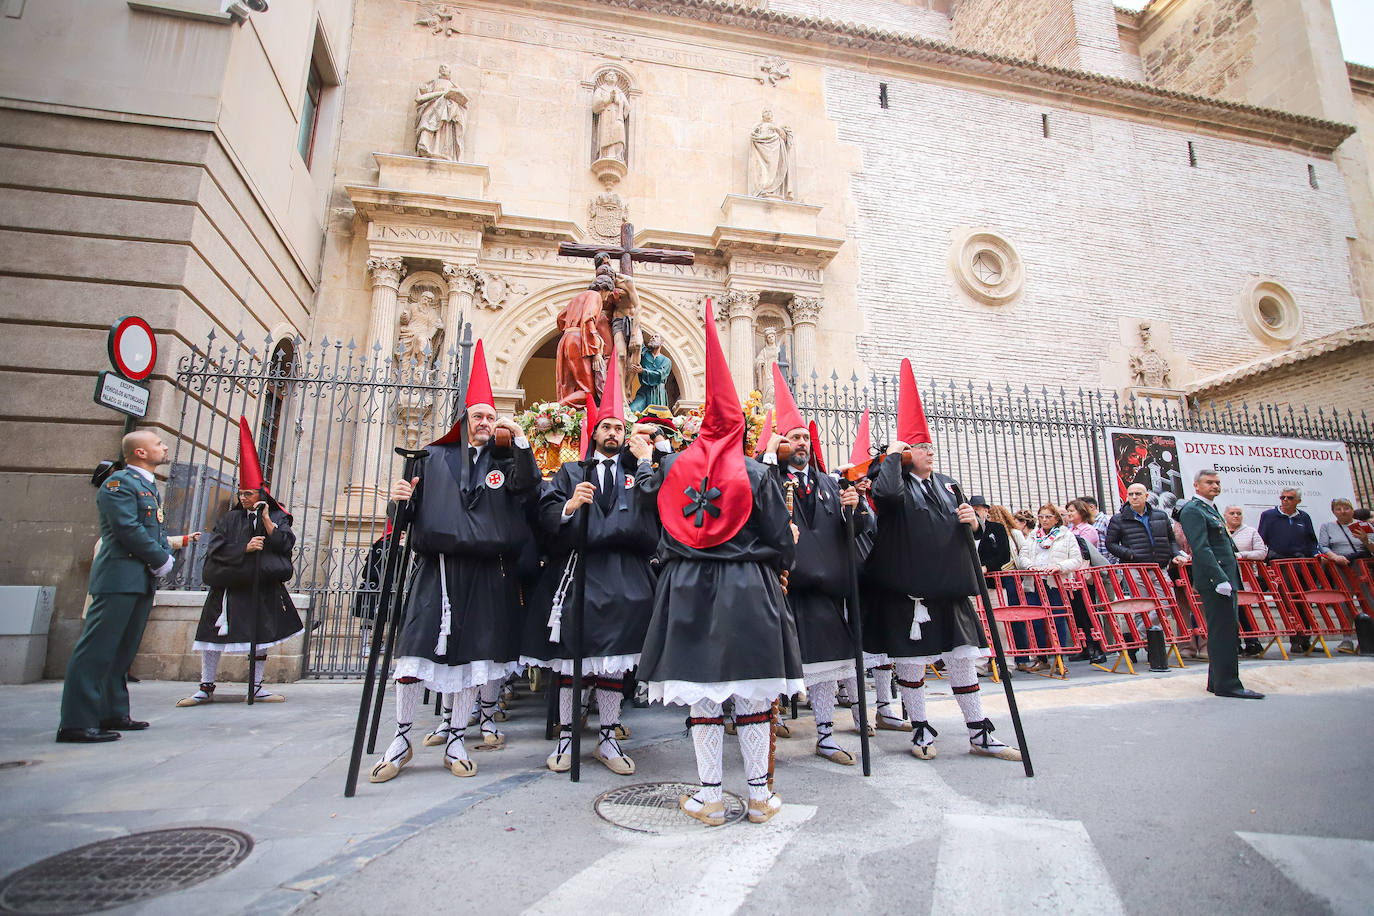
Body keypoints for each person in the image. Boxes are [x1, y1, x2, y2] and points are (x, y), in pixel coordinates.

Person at [637, 301, 802, 826]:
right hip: (748, 588)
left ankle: (709, 795)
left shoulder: (674, 469)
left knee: (702, 695)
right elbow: (781, 539)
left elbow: (658, 529)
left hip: (685, 586)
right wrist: (783, 557)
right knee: (752, 690)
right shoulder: (757, 473)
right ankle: (758, 796)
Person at [370, 341, 540, 783]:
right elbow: (405, 517)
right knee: (412, 657)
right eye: (478, 416)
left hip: (487, 574)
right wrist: (398, 502)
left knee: (472, 662)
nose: (485, 422)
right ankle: (402, 737)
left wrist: (519, 439)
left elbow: (529, 492)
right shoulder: (429, 457)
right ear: (464, 420)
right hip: (437, 572)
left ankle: (457, 738)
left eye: (490, 416)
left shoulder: (510, 462)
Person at [862, 359, 1021, 764]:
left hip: (950, 591)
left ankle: (978, 731)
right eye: (922, 447)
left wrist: (974, 523)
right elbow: (887, 497)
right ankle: (919, 729)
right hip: (909, 593)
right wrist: (894, 457)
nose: (930, 453)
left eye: (931, 447)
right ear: (906, 452)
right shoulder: (893, 481)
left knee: (962, 662)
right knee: (912, 667)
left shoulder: (949, 484)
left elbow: (967, 533)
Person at [526, 350, 660, 775]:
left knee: (613, 661)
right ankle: (567, 738)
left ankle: (608, 737)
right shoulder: (570, 470)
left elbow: (653, 506)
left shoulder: (637, 472)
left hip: (624, 577)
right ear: (595, 432)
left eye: (620, 427)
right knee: (572, 662)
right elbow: (546, 514)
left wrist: (644, 460)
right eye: (607, 426)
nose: (614, 432)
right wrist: (569, 507)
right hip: (579, 574)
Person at [764, 364, 871, 767]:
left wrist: (857, 510)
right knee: (777, 664)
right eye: (793, 438)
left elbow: (858, 529)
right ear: (782, 444)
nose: (801, 443)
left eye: (805, 438)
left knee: (827, 668)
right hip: (783, 589)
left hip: (825, 591)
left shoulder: (832, 483)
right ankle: (767, 731)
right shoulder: (768, 479)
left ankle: (825, 734)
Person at [58, 431, 187, 742]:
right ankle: (77, 721)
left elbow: (152, 529)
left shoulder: (146, 486)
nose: (165, 446)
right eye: (158, 444)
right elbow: (127, 528)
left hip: (139, 578)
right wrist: (160, 558)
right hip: (119, 577)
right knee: (96, 650)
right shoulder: (118, 484)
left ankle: (112, 712)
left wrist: (163, 556)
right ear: (140, 453)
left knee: (122, 651)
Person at [178, 418, 302, 707]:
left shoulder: (277, 517)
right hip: (230, 586)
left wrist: (268, 521)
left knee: (260, 637)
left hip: (259, 587)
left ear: (261, 494)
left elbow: (286, 544)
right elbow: (216, 547)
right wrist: (244, 548)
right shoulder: (230, 518)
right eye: (241, 493)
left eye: (249, 493)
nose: (244, 497)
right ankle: (206, 685)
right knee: (212, 636)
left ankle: (256, 686)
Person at [1179, 470, 1264, 699]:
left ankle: (1216, 682)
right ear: (1196, 486)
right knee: (1224, 631)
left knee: (1222, 630)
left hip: (1224, 576)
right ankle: (1229, 684)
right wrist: (1219, 578)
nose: (1215, 486)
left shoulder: (1209, 508)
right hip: (1215, 579)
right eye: (1209, 482)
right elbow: (1201, 547)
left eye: (1217, 482)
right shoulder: (1193, 510)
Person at [1012, 504, 1086, 673]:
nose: (1044, 520)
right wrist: (1029, 566)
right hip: (1035, 582)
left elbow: (1076, 559)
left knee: (1058, 618)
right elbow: (1022, 556)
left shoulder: (1065, 536)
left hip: (1055, 582)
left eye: (1048, 517)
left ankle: (1059, 659)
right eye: (1041, 517)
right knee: (1036, 620)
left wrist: (1059, 566)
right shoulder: (1033, 536)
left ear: (1056, 518)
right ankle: (1042, 658)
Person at [1258, 488, 1321, 652]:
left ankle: (1306, 639)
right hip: (1281, 564)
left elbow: (1311, 540)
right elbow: (1261, 538)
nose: (1285, 500)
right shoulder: (1269, 516)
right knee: (1289, 601)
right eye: (1283, 497)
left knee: (1304, 601)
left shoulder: (1304, 517)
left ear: (1298, 501)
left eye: (1290, 498)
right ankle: (1295, 640)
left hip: (1303, 564)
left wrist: (1314, 555)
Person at [1317, 498, 1370, 654]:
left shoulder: (1364, 526)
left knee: (1369, 599)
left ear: (1352, 509)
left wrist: (1365, 539)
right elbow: (1323, 546)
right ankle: (1347, 638)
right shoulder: (1327, 526)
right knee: (1345, 601)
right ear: (1333, 511)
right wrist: (1334, 557)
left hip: (1362, 564)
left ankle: (1369, 637)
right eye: (1338, 509)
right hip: (1341, 565)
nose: (1342, 511)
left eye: (1346, 508)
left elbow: (1372, 546)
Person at [1105, 483, 1188, 570]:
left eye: (1138, 494)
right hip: (1135, 569)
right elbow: (1110, 544)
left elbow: (1171, 540)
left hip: (1161, 567)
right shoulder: (1118, 519)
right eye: (1130, 494)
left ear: (1146, 496)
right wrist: (1129, 554)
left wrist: (1176, 554)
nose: (1134, 497)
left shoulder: (1161, 516)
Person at [628, 333, 672, 413]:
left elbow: (660, 375)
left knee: (656, 418)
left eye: (656, 336)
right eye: (651, 337)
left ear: (662, 342)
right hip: (644, 391)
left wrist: (642, 371)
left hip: (658, 393)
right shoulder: (644, 354)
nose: (652, 338)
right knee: (632, 410)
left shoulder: (666, 361)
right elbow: (639, 341)